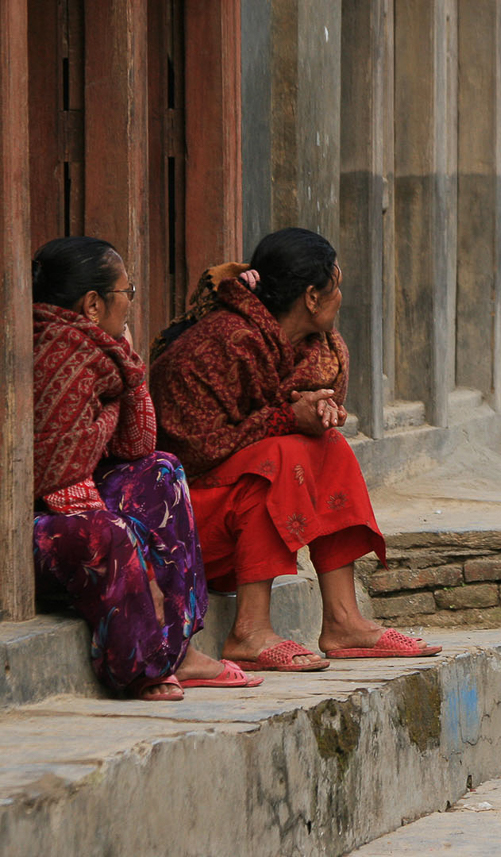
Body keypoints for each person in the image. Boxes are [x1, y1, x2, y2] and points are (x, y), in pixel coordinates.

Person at [149, 227, 441, 671]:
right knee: (281, 457)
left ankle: (343, 620)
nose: (340, 296)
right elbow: (192, 452)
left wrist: (320, 413)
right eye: (335, 285)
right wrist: (288, 418)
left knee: (328, 447)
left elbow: (304, 414)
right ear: (311, 296)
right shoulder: (217, 344)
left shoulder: (319, 349)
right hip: (182, 527)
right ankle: (248, 630)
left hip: (239, 516)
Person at [31, 236, 260, 701]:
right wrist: (123, 384)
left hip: (77, 504)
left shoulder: (102, 353)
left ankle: (180, 649)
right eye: (126, 294)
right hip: (29, 526)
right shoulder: (49, 350)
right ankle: (141, 666)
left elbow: (139, 446)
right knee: (110, 532)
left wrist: (130, 370)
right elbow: (55, 472)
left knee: (161, 472)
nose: (130, 305)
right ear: (93, 304)